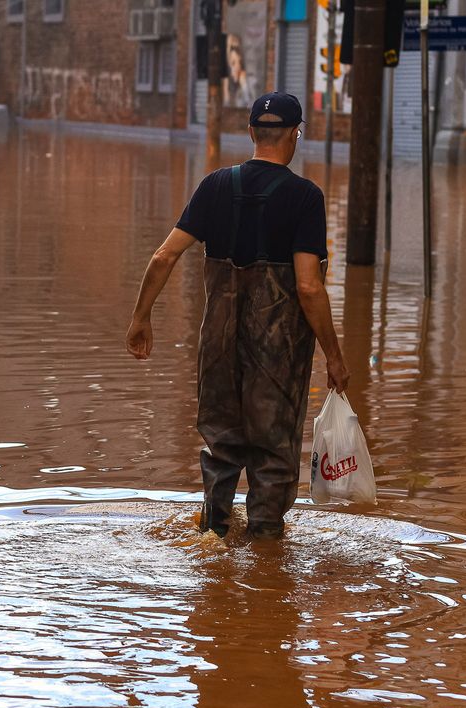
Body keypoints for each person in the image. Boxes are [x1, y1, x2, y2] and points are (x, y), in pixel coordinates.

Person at [125, 92, 346, 540]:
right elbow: (308, 286)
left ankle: (215, 533)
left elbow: (165, 255)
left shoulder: (214, 187)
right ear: (295, 135)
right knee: (273, 451)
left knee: (222, 444)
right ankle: (266, 560)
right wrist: (334, 355)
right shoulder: (305, 198)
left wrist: (141, 318)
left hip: (218, 345)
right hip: (278, 353)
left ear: (250, 133)